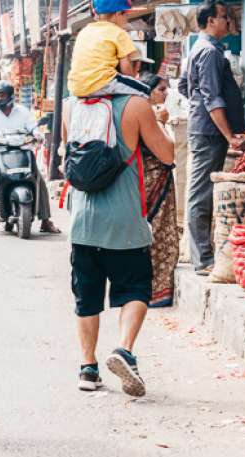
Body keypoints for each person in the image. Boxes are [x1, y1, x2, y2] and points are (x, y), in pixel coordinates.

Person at [61, 88, 174, 395]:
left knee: (87, 297)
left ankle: (88, 368)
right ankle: (124, 349)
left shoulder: (71, 105)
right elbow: (167, 154)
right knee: (135, 288)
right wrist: (161, 123)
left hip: (83, 223)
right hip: (125, 222)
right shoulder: (136, 105)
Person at [178, 0, 245, 275]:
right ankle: (203, 259)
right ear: (210, 22)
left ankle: (204, 255)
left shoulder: (202, 49)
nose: (228, 21)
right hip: (209, 132)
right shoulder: (209, 53)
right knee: (201, 193)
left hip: (204, 128)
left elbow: (185, 86)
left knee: (203, 190)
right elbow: (212, 97)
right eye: (224, 17)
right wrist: (228, 134)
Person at [0, 80, 60, 235]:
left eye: (2, 95)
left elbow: (33, 127)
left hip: (22, 152)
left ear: (11, 96)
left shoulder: (22, 111)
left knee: (38, 179)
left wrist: (37, 135)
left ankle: (46, 221)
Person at [138, 72, 178, 308]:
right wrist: (161, 122)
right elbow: (167, 151)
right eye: (161, 89)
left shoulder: (139, 113)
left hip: (147, 180)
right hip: (154, 181)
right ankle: (157, 290)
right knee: (159, 233)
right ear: (149, 91)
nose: (166, 94)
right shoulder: (148, 115)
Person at [67, 0, 150, 98]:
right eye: (126, 14)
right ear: (117, 14)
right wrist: (132, 82)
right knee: (146, 90)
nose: (127, 18)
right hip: (102, 82)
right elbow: (126, 69)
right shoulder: (119, 33)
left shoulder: (85, 31)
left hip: (75, 87)